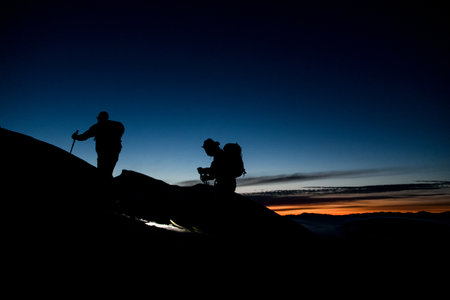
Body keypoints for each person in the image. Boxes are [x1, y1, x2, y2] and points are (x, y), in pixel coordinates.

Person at [72, 111, 124, 178]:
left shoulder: (97, 127)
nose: (99, 119)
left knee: (103, 170)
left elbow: (85, 136)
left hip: (107, 151)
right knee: (107, 170)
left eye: (99, 118)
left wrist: (76, 137)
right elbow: (85, 136)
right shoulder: (115, 124)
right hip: (114, 150)